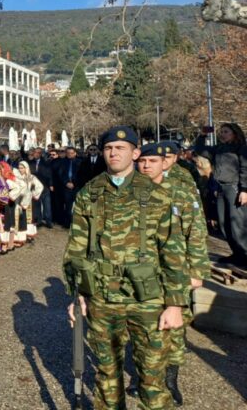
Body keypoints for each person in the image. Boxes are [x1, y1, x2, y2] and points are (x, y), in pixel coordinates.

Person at [64, 126, 187, 410]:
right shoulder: (90, 193)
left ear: (135, 153)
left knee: (153, 378)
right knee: (107, 376)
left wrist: (175, 304)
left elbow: (173, 251)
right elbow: (76, 249)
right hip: (102, 297)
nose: (113, 153)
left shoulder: (156, 194)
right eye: (108, 148)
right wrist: (78, 294)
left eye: (121, 148)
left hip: (148, 298)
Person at [137, 142, 211, 406]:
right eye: (142, 161)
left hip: (176, 271)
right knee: (142, 325)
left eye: (154, 160)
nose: (147, 166)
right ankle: (145, 376)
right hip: (142, 272)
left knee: (175, 329)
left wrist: (197, 270)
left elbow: (197, 232)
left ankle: (171, 379)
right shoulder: (132, 191)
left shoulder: (181, 192)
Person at [194, 123, 247, 268]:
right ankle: (237, 254)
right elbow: (200, 150)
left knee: (237, 224)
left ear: (235, 133)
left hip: (235, 189)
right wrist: (202, 135)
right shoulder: (219, 148)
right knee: (224, 223)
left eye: (226, 132)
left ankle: (245, 254)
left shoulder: (241, 148)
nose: (222, 134)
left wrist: (244, 190)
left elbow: (245, 169)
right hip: (220, 189)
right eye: (221, 132)